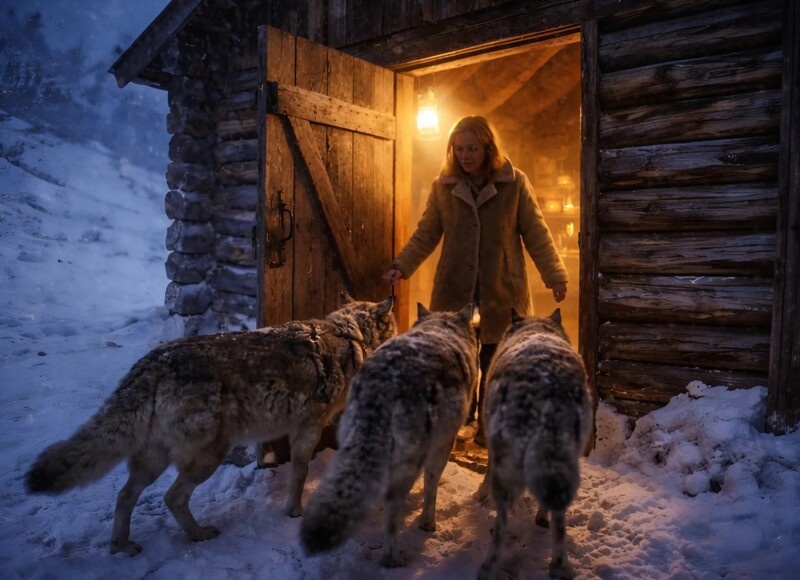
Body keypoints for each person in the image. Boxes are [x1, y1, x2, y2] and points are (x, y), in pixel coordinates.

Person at [383, 115, 568, 446]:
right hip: (456, 288)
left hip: (503, 287)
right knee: (456, 359)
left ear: (488, 148)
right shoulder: (444, 186)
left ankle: (489, 428)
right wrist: (403, 265)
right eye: (458, 149)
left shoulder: (515, 183)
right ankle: (457, 421)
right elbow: (426, 234)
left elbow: (537, 234)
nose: (465, 155)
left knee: (495, 360)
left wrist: (554, 275)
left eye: (472, 148)